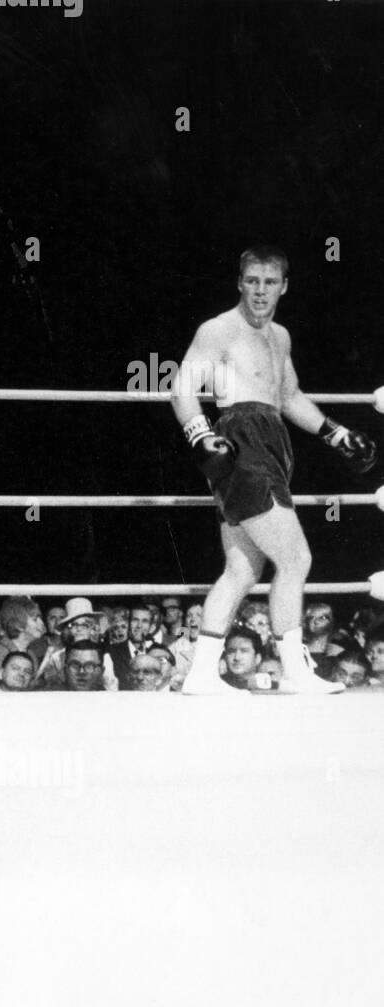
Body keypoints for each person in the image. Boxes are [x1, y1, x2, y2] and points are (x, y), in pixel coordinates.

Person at [173, 246, 376, 694]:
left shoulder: (279, 336)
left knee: (242, 570)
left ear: (283, 286)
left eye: (269, 282)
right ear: (239, 283)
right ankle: (295, 672)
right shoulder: (219, 330)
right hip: (240, 441)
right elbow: (181, 387)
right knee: (295, 557)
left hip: (273, 440)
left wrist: (336, 433)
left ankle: (201, 674)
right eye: (252, 281)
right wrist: (201, 436)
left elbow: (289, 398)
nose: (260, 290)